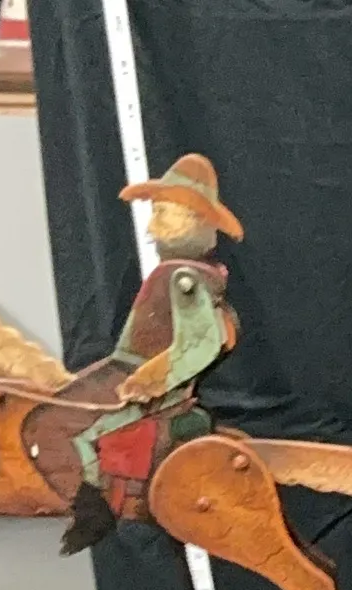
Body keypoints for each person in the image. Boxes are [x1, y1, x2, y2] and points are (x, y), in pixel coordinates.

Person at [61, 153, 244, 554]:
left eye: (164, 213)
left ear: (193, 221)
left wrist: (152, 379)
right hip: (127, 370)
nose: (153, 225)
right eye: (157, 212)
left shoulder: (184, 279)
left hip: (157, 388)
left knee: (83, 432)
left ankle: (99, 507)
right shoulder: (181, 274)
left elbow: (201, 344)